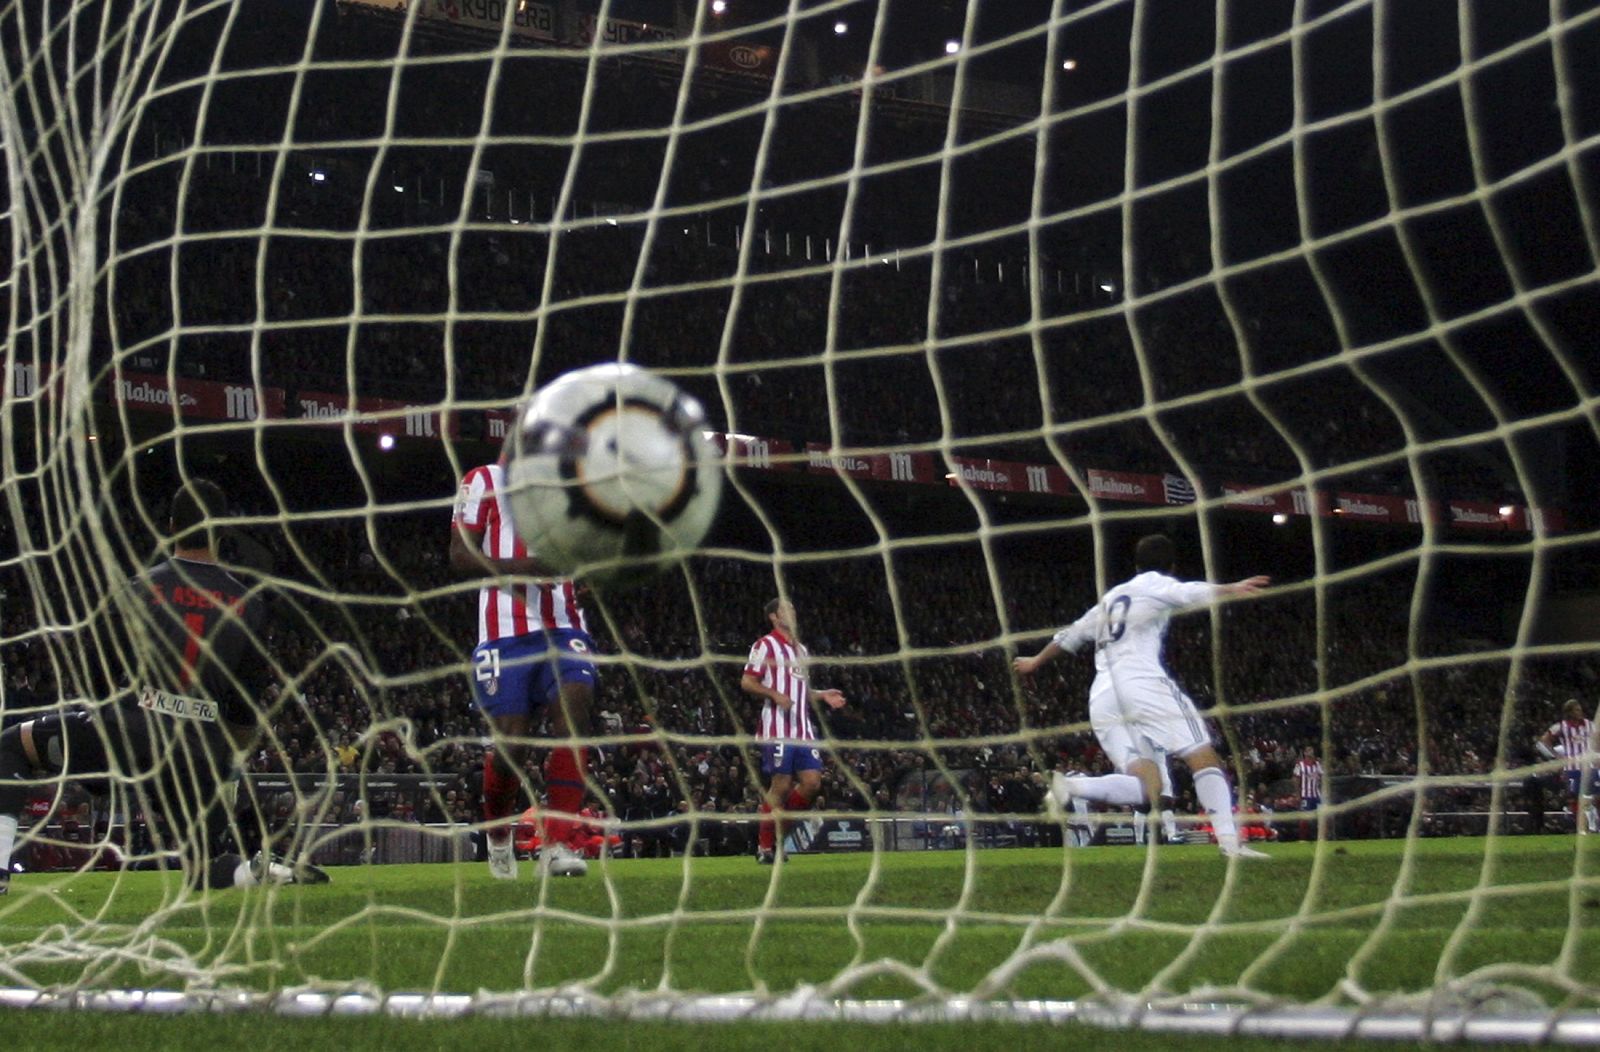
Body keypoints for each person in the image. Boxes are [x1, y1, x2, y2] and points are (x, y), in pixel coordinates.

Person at [0, 479, 325, 893]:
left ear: (171, 527)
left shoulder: (139, 588)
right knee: (201, 867)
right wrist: (224, 766)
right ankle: (262, 872)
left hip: (129, 731)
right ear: (222, 530)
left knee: (13, 747)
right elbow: (245, 713)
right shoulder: (250, 605)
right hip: (196, 756)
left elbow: (99, 675)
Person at [1013, 533, 1271, 860]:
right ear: (1170, 566)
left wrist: (1035, 660)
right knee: (1201, 754)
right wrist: (1230, 588)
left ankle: (1074, 787)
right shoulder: (1155, 584)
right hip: (1141, 681)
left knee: (1149, 787)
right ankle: (1229, 844)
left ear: (1136, 564)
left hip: (1104, 693)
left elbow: (1072, 634)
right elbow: (1187, 591)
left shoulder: (1111, 598)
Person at [451, 458, 593, 878]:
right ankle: (498, 837)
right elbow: (459, 556)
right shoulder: (483, 481)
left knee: (576, 710)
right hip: (503, 631)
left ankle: (558, 843)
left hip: (564, 625)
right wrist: (525, 569)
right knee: (512, 745)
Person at [740, 598, 846, 864]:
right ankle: (765, 848)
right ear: (774, 617)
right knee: (782, 784)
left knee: (812, 784)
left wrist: (822, 695)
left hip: (803, 728)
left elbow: (800, 692)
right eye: (787, 609)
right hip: (777, 726)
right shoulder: (764, 645)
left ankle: (776, 839)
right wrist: (774, 694)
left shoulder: (802, 651)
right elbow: (747, 682)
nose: (793, 613)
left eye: (794, 608)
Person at [1536, 699, 1597, 835]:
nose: (1580, 712)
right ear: (1569, 712)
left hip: (1589, 767)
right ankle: (1582, 828)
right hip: (1572, 768)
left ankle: (1592, 827)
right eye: (1577, 710)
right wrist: (1556, 756)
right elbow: (1543, 741)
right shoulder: (1561, 726)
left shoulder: (1589, 725)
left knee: (1591, 797)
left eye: (1580, 709)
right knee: (1576, 798)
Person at [1293, 745, 1323, 840]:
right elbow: (1295, 779)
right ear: (1305, 753)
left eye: (1312, 750)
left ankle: (1320, 838)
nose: (1311, 752)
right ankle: (1302, 839)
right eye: (1308, 750)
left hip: (1316, 795)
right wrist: (1298, 794)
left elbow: (1322, 777)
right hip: (1305, 795)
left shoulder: (1317, 764)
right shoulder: (1300, 764)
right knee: (1304, 818)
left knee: (1321, 817)